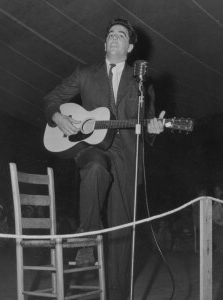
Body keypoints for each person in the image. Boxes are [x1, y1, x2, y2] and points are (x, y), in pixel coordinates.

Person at [44, 18, 165, 299]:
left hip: (126, 157)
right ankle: (88, 235)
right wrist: (59, 117)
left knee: (122, 239)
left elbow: (147, 125)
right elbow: (51, 99)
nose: (114, 38)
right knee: (96, 166)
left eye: (121, 35)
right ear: (104, 43)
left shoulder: (141, 81)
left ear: (130, 46)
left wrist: (154, 129)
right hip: (93, 149)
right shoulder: (85, 73)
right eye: (110, 34)